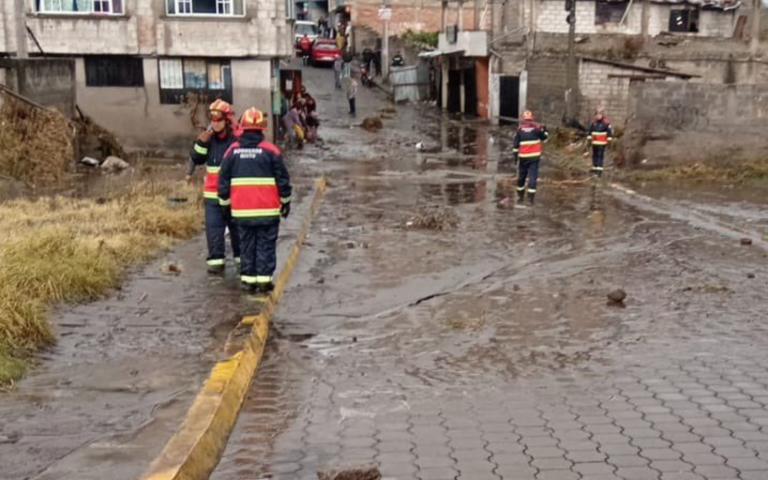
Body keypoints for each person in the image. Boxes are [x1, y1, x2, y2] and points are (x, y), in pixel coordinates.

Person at [218, 108, 292, 294]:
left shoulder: (232, 152)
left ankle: (248, 281)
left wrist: (225, 206)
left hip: (242, 212)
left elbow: (223, 181)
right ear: (262, 129)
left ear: (242, 128)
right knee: (266, 245)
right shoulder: (271, 151)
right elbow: (283, 180)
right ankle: (264, 282)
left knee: (246, 245)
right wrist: (286, 202)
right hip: (267, 211)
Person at [187, 99, 241, 273]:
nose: (215, 123)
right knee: (214, 230)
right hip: (213, 195)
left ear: (226, 119)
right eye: (212, 118)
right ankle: (216, 266)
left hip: (234, 195)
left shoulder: (236, 139)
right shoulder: (207, 139)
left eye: (218, 119)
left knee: (237, 230)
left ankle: (242, 264)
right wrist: (201, 143)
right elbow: (196, 159)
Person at [512, 110, 549, 205]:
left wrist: (515, 158)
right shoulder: (536, 129)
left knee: (521, 178)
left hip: (523, 158)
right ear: (531, 119)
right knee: (532, 178)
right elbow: (545, 138)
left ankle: (520, 198)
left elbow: (515, 146)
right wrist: (545, 130)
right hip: (534, 158)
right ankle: (530, 200)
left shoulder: (519, 130)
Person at [586, 107, 614, 177]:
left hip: (602, 143)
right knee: (594, 156)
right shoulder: (593, 123)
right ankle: (594, 168)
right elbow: (589, 132)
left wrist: (609, 142)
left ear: (602, 115)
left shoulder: (606, 123)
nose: (598, 116)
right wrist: (588, 142)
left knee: (600, 156)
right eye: (597, 114)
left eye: (600, 114)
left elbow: (609, 133)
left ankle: (599, 171)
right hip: (594, 143)